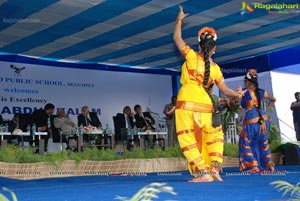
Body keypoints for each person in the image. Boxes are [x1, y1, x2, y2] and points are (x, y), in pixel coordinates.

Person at [173, 5, 242, 182]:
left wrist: (180, 19)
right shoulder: (216, 69)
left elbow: (177, 37)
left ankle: (203, 173)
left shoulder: (190, 56)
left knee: (188, 137)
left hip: (187, 100)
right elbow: (225, 90)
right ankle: (215, 169)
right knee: (213, 136)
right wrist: (238, 95)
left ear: (199, 46)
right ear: (214, 49)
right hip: (207, 104)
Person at [238, 69, 276, 172]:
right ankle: (270, 165)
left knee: (245, 141)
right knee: (263, 142)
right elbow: (273, 98)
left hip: (252, 120)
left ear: (248, 82)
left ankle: (253, 166)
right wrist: (272, 101)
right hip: (264, 120)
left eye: (245, 82)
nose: (244, 84)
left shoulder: (245, 92)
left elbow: (239, 103)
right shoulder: (261, 91)